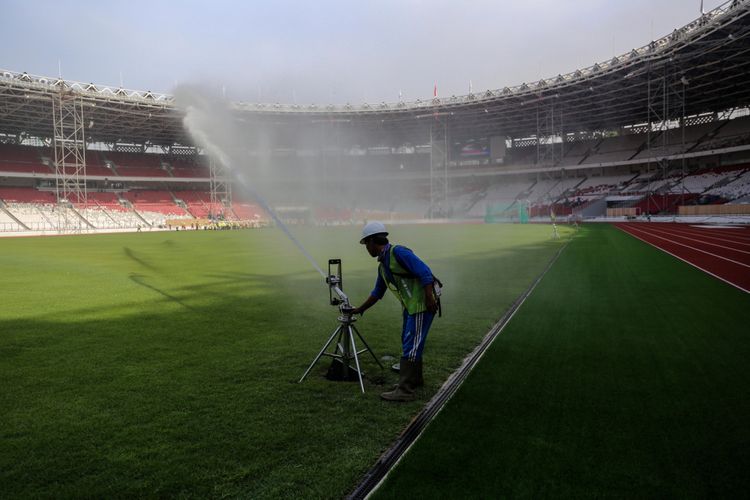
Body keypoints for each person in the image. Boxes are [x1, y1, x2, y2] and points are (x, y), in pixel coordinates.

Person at [351, 221, 438, 402]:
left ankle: (405, 390)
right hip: (411, 307)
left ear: (373, 241)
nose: (366, 248)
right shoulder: (383, 264)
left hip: (421, 305)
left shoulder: (398, 252)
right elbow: (377, 292)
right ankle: (414, 380)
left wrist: (429, 298)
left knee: (411, 345)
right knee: (410, 342)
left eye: (366, 243)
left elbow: (425, 273)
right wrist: (360, 309)